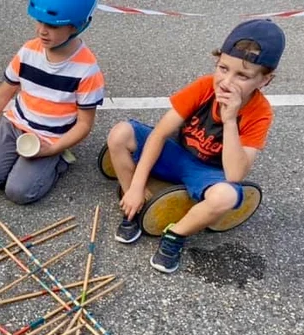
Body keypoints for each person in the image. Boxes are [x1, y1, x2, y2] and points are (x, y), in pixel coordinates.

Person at [106, 19, 285, 274]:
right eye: (223, 68)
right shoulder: (204, 87)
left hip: (207, 172)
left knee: (227, 196)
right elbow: (159, 134)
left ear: (265, 80)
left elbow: (235, 175)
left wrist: (231, 119)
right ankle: (133, 202)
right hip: (176, 154)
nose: (226, 82)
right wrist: (135, 187)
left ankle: (176, 234)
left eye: (242, 76)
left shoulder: (260, 113)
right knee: (120, 133)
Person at [0, 0, 104, 205]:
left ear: (76, 26)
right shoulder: (29, 51)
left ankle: (59, 162)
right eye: (39, 22)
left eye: (53, 26)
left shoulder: (87, 70)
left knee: (19, 192)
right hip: (15, 126)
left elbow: (84, 124)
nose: (42, 31)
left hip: (50, 138)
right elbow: (3, 93)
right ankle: (32, 162)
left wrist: (52, 150)